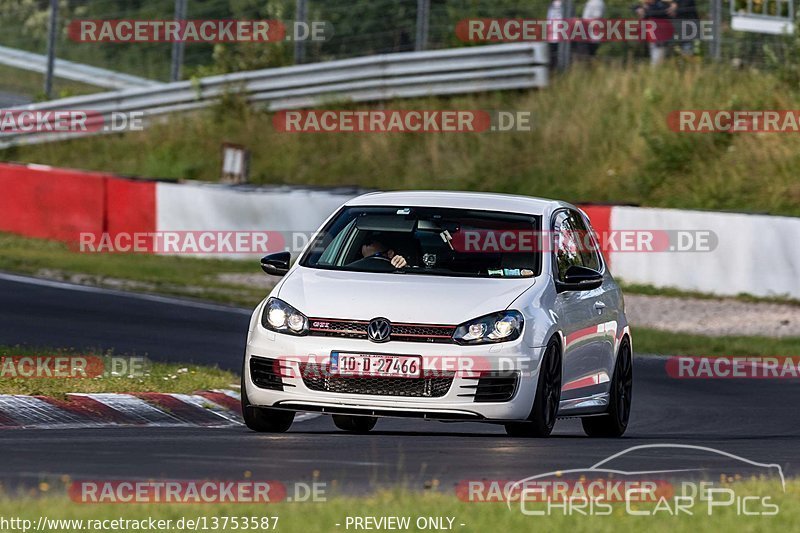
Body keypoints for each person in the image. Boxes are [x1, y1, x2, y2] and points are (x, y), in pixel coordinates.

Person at [635, 0, 670, 65]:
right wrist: (639, 8)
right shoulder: (647, 6)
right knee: (654, 58)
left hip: (661, 37)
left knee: (657, 61)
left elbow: (661, 12)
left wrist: (645, 10)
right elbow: (635, 7)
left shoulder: (662, 4)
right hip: (652, 38)